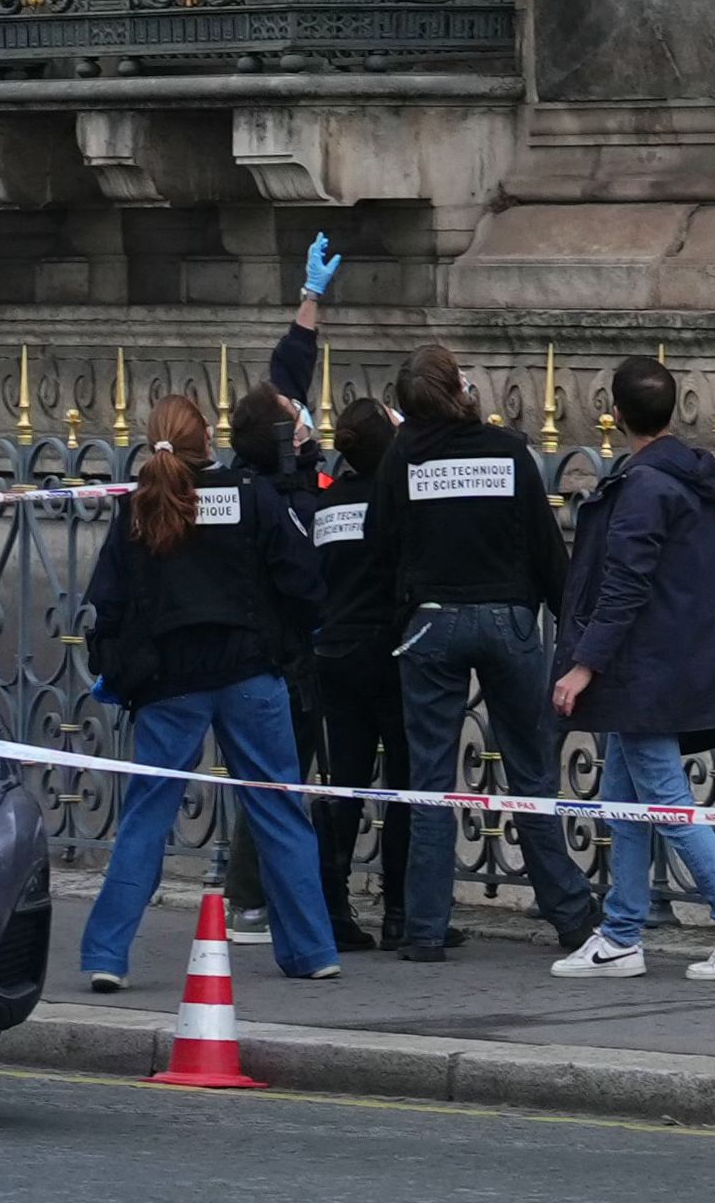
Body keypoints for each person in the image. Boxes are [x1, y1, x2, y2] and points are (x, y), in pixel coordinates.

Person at [69, 392, 343, 992]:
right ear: (207, 444)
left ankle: (107, 957)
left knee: (145, 818)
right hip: (250, 674)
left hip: (169, 683)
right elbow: (300, 579)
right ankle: (312, 951)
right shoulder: (252, 495)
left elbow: (108, 603)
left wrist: (117, 670)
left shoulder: (139, 507)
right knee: (278, 811)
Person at [545, 353, 715, 982]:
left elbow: (625, 585)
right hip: (656, 666)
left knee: (666, 802)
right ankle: (621, 933)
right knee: (625, 799)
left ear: (615, 414)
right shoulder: (680, 477)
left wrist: (582, 666)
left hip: (644, 670)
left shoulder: (645, 485)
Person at [371, 342, 590, 954]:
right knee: (531, 772)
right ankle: (571, 916)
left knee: (431, 781)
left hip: (431, 622)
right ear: (459, 387)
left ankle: (424, 928)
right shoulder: (508, 451)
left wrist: (403, 616)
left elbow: (382, 548)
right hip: (508, 619)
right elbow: (548, 551)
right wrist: (569, 628)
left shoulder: (400, 460)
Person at [280, 291, 436, 957]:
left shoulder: (324, 501)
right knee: (400, 786)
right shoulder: (397, 500)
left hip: (333, 655)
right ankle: (401, 909)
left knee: (340, 786)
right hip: (391, 653)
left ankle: (335, 907)